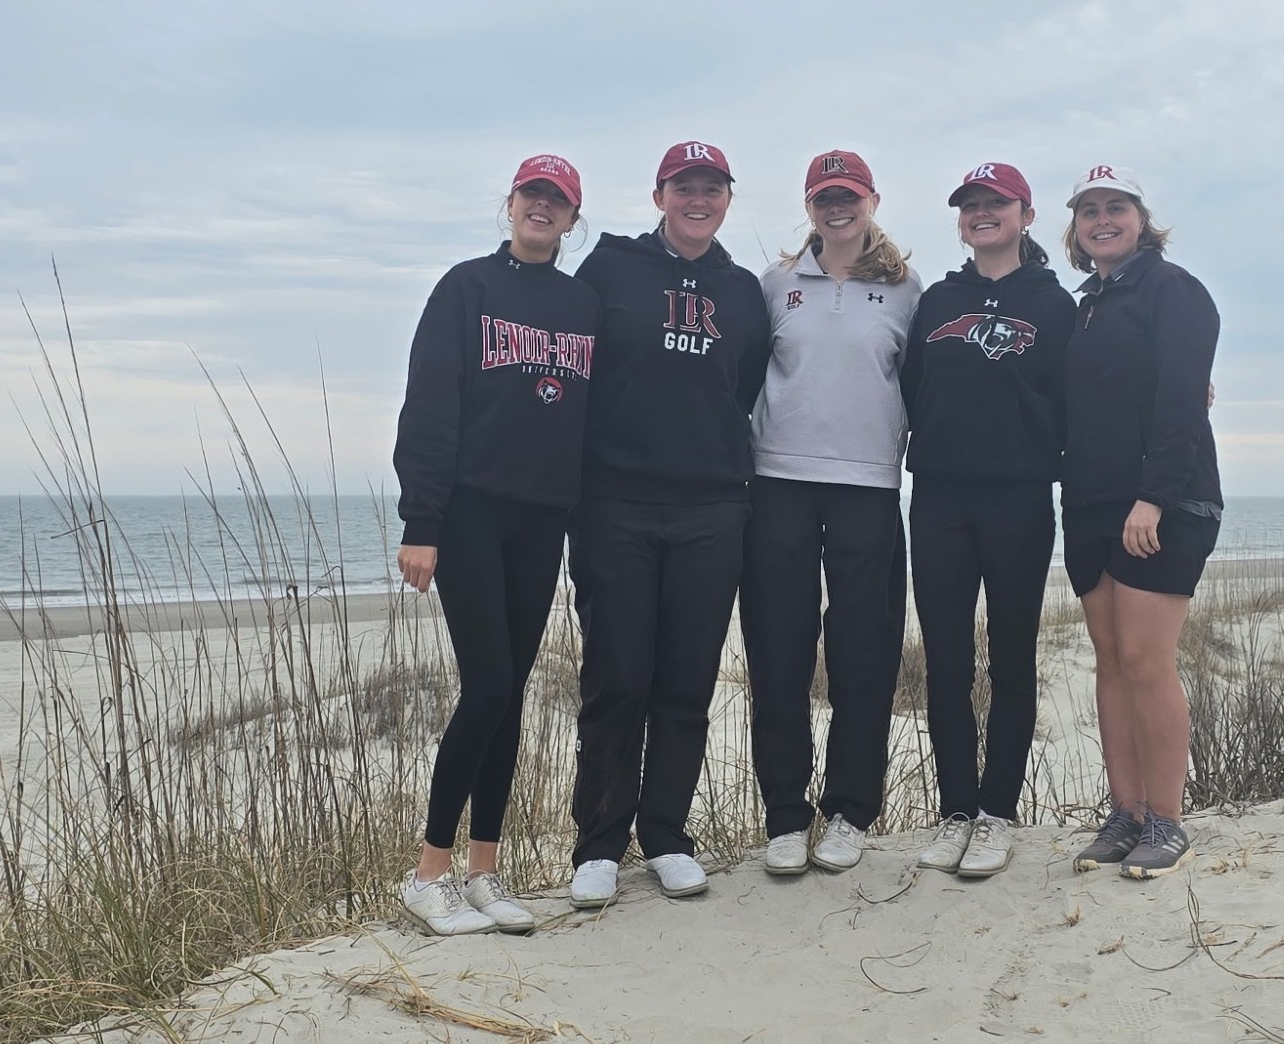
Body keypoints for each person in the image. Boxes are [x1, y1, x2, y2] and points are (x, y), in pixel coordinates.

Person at [391, 154, 597, 935]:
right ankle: (427, 873)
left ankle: (485, 871)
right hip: (471, 513)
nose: (543, 208)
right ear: (510, 205)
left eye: (558, 200)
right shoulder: (466, 288)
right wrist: (423, 521)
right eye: (532, 195)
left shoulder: (583, 304)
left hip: (542, 519)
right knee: (487, 685)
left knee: (509, 692)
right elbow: (431, 402)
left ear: (573, 219)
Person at [566, 140, 772, 908]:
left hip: (714, 506)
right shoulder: (611, 270)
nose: (699, 199)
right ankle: (598, 845)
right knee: (618, 677)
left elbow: (742, 386)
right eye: (684, 186)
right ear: (659, 195)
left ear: (727, 199)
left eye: (713, 188)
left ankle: (667, 835)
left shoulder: (743, 290)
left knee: (687, 680)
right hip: (614, 503)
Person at [743, 150, 922, 876]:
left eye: (848, 195)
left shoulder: (910, 290)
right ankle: (785, 816)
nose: (836, 207)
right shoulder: (773, 285)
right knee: (779, 654)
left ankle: (850, 812)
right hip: (777, 483)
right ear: (809, 205)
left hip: (870, 489)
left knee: (864, 657)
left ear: (872, 199)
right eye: (824, 197)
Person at [900, 163, 1075, 878]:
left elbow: (1078, 395)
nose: (981, 214)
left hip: (1020, 499)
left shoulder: (1055, 305)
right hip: (940, 498)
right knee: (946, 661)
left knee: (1011, 657)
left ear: (1026, 216)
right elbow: (911, 385)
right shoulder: (940, 298)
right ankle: (955, 810)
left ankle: (998, 812)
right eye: (970, 205)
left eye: (994, 204)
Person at [1059, 165, 1221, 880]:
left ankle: (1166, 820)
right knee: (1111, 662)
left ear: (1141, 217)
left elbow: (1183, 402)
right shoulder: (1086, 303)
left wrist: (1153, 496)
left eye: (1115, 207)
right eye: (1089, 210)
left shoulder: (1172, 290)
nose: (1102, 219)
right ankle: (1123, 815)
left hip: (1163, 502)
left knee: (1148, 661)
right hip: (1090, 501)